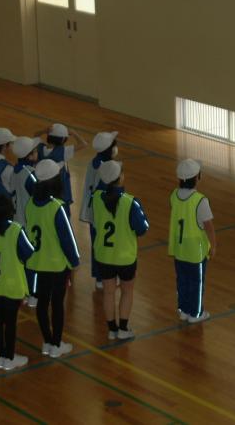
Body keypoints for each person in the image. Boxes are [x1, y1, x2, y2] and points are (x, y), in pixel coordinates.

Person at [25, 159, 80, 358]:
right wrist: (74, 261)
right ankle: (56, 343)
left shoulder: (31, 204)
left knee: (42, 303)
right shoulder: (58, 206)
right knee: (57, 305)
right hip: (57, 265)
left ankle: (47, 341)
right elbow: (67, 238)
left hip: (37, 263)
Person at [90, 161, 149, 340]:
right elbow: (143, 228)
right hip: (125, 257)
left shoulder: (96, 198)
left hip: (103, 255)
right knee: (127, 291)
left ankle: (111, 329)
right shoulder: (131, 202)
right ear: (120, 177)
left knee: (108, 292)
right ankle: (123, 328)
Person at [0, 195, 35, 371]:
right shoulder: (16, 230)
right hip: (12, 284)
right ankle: (10, 357)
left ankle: (0, 356)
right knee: (10, 322)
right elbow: (28, 252)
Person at [168, 159, 216, 324]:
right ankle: (196, 313)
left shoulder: (174, 196)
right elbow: (208, 226)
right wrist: (213, 245)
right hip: (196, 250)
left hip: (179, 247)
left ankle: (183, 310)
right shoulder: (200, 200)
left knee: (182, 280)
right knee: (197, 282)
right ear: (197, 177)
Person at [80, 131, 119, 290]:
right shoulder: (107, 168)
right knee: (105, 244)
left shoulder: (94, 162)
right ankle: (104, 276)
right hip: (102, 212)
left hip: (93, 210)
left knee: (97, 243)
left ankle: (100, 276)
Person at [10, 136, 40, 309]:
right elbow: (39, 196)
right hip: (28, 225)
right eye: (35, 151)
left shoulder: (14, 171)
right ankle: (33, 294)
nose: (37, 153)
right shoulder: (30, 174)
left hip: (16, 223)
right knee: (32, 261)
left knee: (22, 261)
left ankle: (24, 292)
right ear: (29, 156)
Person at [36, 124, 87, 218]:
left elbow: (35, 136)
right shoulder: (64, 151)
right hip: (59, 186)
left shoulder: (40, 147)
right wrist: (74, 133)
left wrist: (44, 130)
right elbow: (83, 144)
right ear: (63, 140)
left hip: (43, 185)